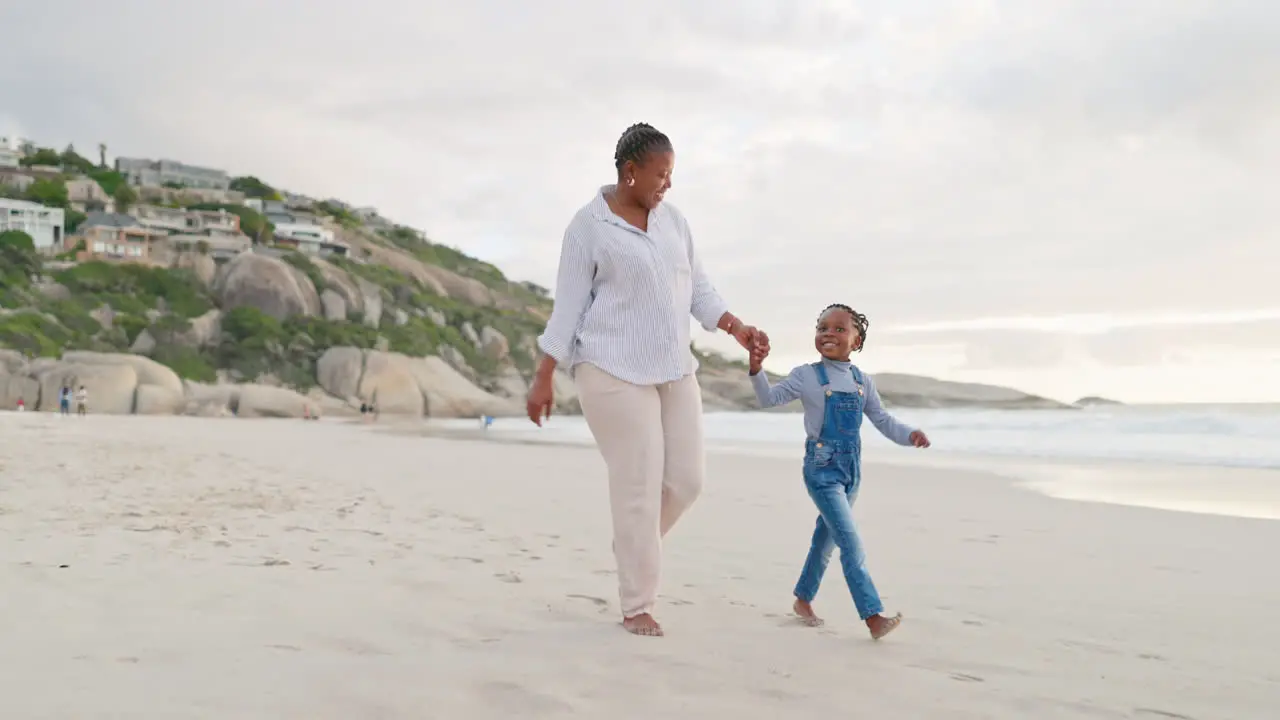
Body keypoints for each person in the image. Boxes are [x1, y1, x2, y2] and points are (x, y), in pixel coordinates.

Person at [527, 122, 768, 637]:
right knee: (637, 486)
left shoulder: (674, 222)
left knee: (686, 481)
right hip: (609, 368)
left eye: (672, 175)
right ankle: (638, 603)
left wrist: (736, 327)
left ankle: (634, 544)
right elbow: (567, 309)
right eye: (661, 175)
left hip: (674, 368)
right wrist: (544, 375)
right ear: (630, 171)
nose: (668, 185)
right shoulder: (587, 228)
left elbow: (699, 289)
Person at [749, 303, 930, 640]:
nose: (828, 334)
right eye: (822, 328)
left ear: (857, 341)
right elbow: (767, 399)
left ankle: (803, 600)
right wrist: (757, 368)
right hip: (821, 468)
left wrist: (909, 436)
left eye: (838, 328)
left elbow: (883, 420)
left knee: (825, 539)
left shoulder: (863, 381)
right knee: (850, 542)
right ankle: (873, 617)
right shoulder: (806, 376)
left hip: (851, 470)